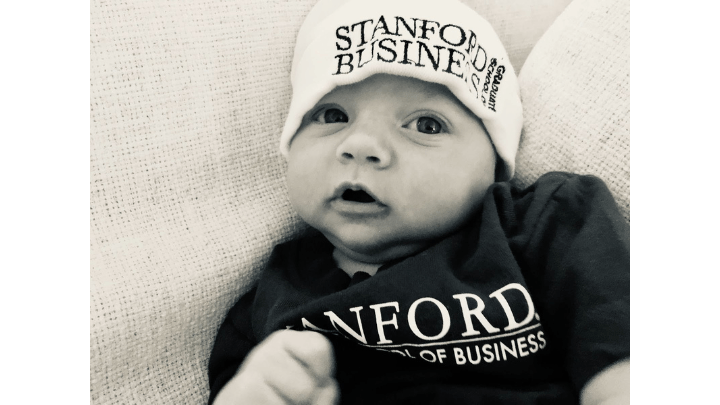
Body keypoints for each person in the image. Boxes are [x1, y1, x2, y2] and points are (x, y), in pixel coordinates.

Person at [207, 0, 630, 404]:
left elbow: (619, 355)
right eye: (333, 116)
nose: (361, 145)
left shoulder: (547, 223)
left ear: (497, 165)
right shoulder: (269, 302)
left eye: (426, 125)